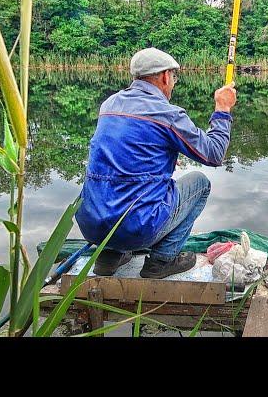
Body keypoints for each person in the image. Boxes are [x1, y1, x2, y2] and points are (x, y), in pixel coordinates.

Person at [74, 47, 237, 278]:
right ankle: (161, 261)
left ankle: (109, 256)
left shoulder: (109, 105)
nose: (173, 84)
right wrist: (223, 108)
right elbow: (213, 154)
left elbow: (128, 152)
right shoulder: (167, 114)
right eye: (174, 77)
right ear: (164, 76)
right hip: (136, 229)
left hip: (91, 225)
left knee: (114, 183)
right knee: (200, 183)